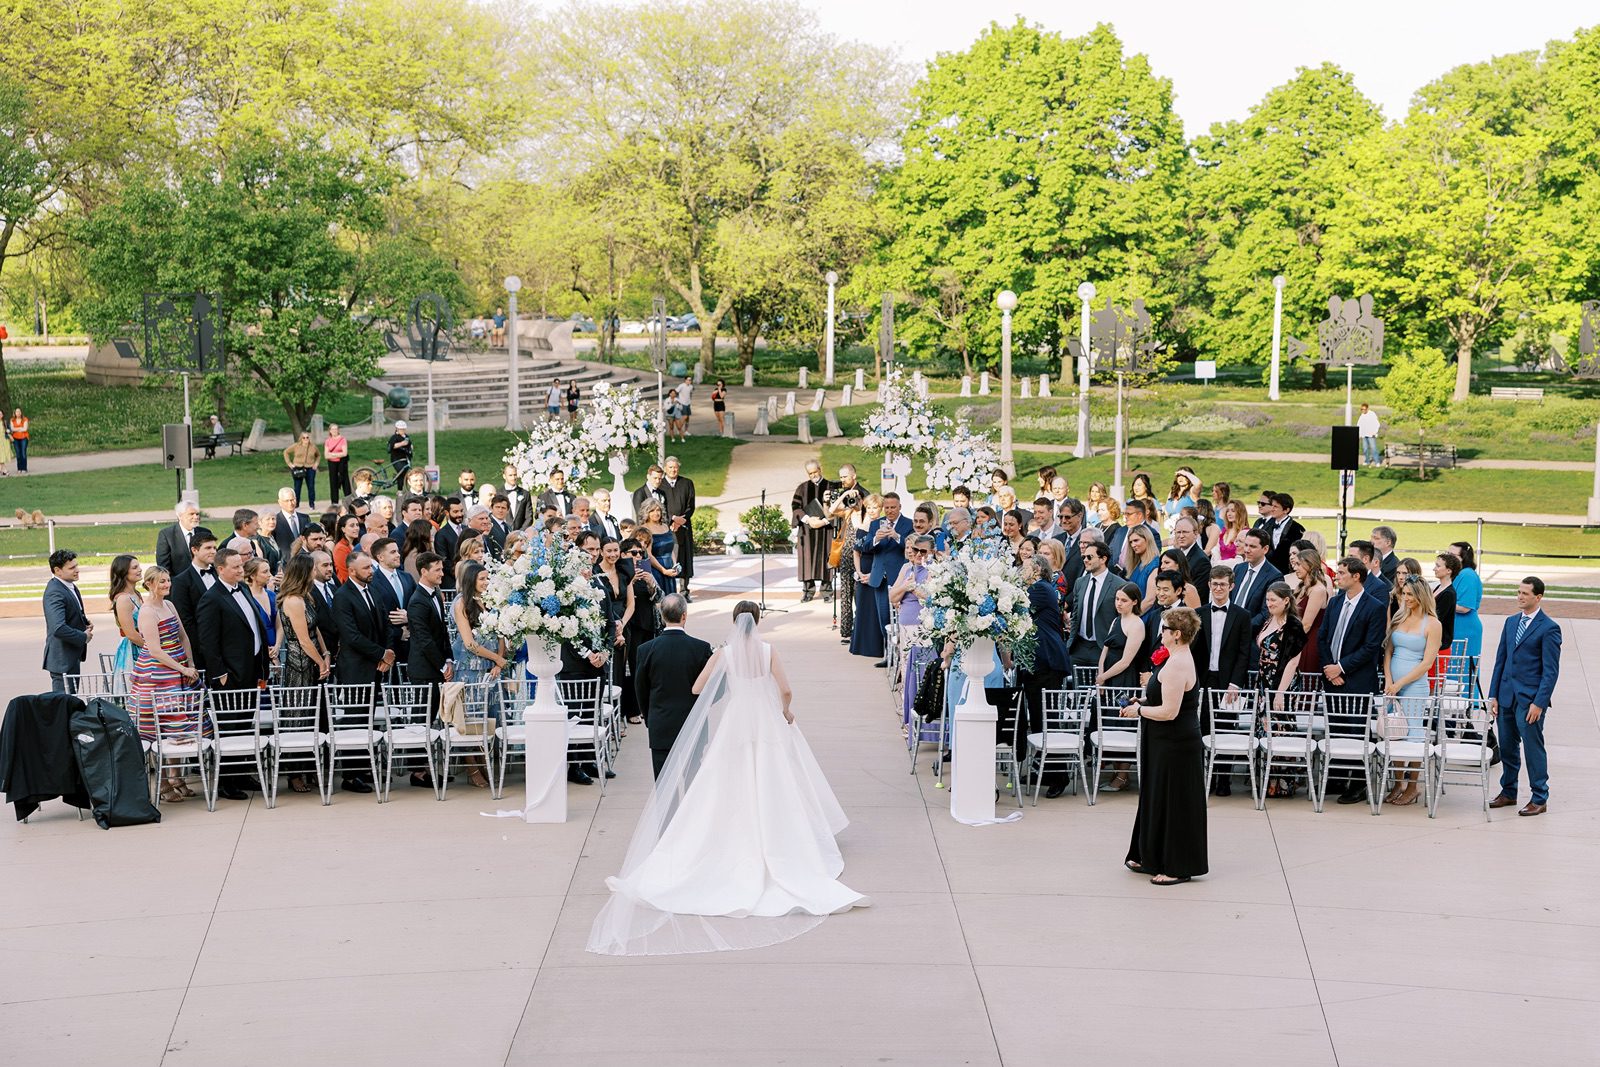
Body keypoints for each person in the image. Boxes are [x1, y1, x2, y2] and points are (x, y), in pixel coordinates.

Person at [590, 601, 866, 956]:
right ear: (759, 620)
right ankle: (778, 834)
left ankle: (726, 834)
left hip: (737, 722)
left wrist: (730, 692)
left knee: (726, 780)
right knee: (775, 777)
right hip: (764, 720)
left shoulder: (725, 652)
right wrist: (785, 710)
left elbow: (697, 689)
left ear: (734, 622)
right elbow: (785, 689)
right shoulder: (768, 650)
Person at [1121, 607, 1207, 885]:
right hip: (1163, 741)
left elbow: (1169, 712)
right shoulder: (1174, 658)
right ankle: (1151, 854)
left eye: (1165, 629)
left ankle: (1177, 865)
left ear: (1177, 635)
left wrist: (1139, 712)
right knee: (1157, 795)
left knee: (1174, 801)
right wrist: (1142, 702)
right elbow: (1163, 699)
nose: (1161, 633)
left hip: (1175, 743)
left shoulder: (1178, 663)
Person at [1487, 577, 1560, 817]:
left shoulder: (1549, 628)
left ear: (1538, 597)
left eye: (1525, 594)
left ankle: (1540, 797)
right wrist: (1493, 695)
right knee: (1507, 747)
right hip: (1506, 696)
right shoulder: (1510, 623)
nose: (1520, 597)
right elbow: (1501, 660)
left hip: (1530, 701)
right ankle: (1508, 792)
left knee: (1532, 748)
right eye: (1518, 592)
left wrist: (1539, 702)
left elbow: (1550, 671)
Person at [129, 566, 203, 801]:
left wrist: (189, 661)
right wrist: (181, 668)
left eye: (168, 581)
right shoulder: (147, 611)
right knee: (159, 727)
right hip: (157, 674)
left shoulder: (169, 605)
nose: (166, 585)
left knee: (179, 725)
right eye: (161, 582)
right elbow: (154, 650)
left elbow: (183, 635)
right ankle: (162, 784)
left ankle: (176, 776)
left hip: (180, 666)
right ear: (149, 584)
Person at [1318, 556, 1387, 806]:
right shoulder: (1335, 603)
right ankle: (1336, 777)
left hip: (1357, 679)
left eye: (1342, 572)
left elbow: (1371, 647)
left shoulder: (1375, 607)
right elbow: (1323, 638)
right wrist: (1329, 669)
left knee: (1356, 731)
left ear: (1356, 576)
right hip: (1331, 677)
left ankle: (1358, 782)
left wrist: (1341, 668)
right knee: (1334, 729)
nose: (1337, 576)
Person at [1380, 574, 1442, 807]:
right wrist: (1389, 679)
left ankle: (1413, 786)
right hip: (1392, 685)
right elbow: (1388, 650)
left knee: (1413, 734)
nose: (1405, 599)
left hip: (1414, 686)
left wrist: (1400, 683)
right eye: (1404, 594)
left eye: (1410, 595)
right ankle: (1398, 783)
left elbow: (1427, 663)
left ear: (1421, 596)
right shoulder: (1399, 616)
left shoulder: (1433, 624)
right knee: (1394, 731)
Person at [276, 554, 330, 793]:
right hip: (300, 664)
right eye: (312, 570)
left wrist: (326, 653)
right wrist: (320, 662)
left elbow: (315, 629)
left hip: (315, 658)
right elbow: (303, 639)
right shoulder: (292, 601)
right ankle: (294, 773)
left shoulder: (305, 597)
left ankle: (313, 767)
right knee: (298, 716)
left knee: (315, 717)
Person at [449, 562, 502, 789]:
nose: (486, 582)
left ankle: (485, 762)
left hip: (491, 668)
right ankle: (472, 768)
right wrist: (495, 657)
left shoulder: (492, 601)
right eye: (482, 579)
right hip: (469, 668)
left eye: (487, 578)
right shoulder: (461, 603)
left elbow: (502, 632)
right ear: (472, 581)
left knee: (489, 717)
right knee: (470, 718)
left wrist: (499, 659)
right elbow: (469, 643)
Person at [1255, 582, 1309, 798]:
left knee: (1280, 729)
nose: (1269, 604)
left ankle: (1283, 783)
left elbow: (1292, 662)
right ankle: (1266, 779)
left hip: (1282, 684)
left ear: (1286, 601)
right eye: (1267, 600)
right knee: (1264, 729)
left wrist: (1280, 693)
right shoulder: (1269, 620)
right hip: (1263, 682)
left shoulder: (1293, 625)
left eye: (1273, 600)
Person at [857, 492, 912, 667]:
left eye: (893, 507)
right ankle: (889, 655)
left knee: (900, 617)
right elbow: (865, 547)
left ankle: (903, 654)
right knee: (883, 617)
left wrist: (896, 536)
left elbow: (911, 546)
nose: (889, 510)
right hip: (880, 577)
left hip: (899, 578)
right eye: (887, 507)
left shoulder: (908, 524)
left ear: (899, 507)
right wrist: (875, 538)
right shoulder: (875, 524)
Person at [42, 549, 92, 693]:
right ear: (57, 570)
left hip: (71, 656)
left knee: (70, 704)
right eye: (72, 568)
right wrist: (83, 637)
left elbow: (71, 612)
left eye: (76, 566)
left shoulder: (69, 586)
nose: (77, 570)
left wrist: (85, 622)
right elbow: (57, 627)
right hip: (62, 659)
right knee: (62, 707)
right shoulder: (55, 592)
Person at [1069, 541, 1118, 675]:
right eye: (1084, 557)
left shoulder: (1118, 584)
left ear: (1103, 559)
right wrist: (1071, 643)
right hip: (1079, 646)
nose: (1085, 560)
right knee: (1077, 691)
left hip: (1103, 647)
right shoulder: (1080, 582)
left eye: (1089, 557)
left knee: (1100, 692)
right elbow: (1075, 615)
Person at [792, 460, 838, 603]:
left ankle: (827, 592)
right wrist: (808, 519)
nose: (813, 475)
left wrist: (823, 521)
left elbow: (837, 508)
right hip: (807, 530)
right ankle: (808, 591)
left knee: (826, 558)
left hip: (826, 530)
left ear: (820, 469)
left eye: (815, 472)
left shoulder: (831, 487)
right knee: (807, 560)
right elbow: (795, 506)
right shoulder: (802, 488)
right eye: (810, 473)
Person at [660, 456, 697, 601]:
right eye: (670, 467)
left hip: (684, 526)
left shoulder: (687, 483)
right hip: (666, 526)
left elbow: (691, 505)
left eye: (675, 467)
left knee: (684, 557)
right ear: (665, 469)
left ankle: (684, 590)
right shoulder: (660, 485)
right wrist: (672, 519)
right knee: (668, 556)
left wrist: (682, 520)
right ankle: (669, 590)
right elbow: (659, 506)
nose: (673, 470)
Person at [1292, 547, 1332, 678]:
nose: (1295, 568)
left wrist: (1289, 643)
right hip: (1299, 641)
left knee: (1306, 687)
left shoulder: (1318, 590)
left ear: (1309, 565)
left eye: (1299, 564)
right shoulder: (1301, 587)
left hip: (1309, 643)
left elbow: (1307, 624)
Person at [107, 554, 145, 690]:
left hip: (142, 646)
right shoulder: (123, 599)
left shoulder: (136, 594)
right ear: (123, 572)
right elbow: (130, 633)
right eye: (135, 567)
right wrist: (152, 648)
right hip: (133, 649)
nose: (140, 570)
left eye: (139, 566)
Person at [1231, 529, 1281, 629]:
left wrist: (1241, 628)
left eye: (1252, 547)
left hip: (1250, 634)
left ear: (1265, 549)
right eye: (1246, 545)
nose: (1247, 550)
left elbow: (1267, 612)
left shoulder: (1274, 576)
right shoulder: (1238, 568)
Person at [1448, 541, 1484, 676]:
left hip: (1465, 629)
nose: (1448, 557)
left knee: (1462, 672)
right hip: (1458, 627)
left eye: (1453, 555)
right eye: (1447, 553)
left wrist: (1440, 602)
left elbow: (1464, 607)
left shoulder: (1467, 575)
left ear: (1464, 557)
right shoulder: (1459, 574)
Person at [156, 500, 202, 574]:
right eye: (191, 514)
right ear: (180, 516)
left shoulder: (205, 533)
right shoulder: (167, 535)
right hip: (179, 583)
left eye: (197, 514)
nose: (196, 517)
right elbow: (163, 566)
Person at [1264, 493, 1305, 574]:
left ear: (1286, 510)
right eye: (1272, 505)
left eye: (1275, 507)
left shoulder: (1297, 529)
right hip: (1268, 572)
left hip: (1289, 571)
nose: (1272, 509)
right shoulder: (1266, 527)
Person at [282, 430, 321, 510]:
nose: (306, 439)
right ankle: (296, 504)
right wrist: (290, 464)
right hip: (298, 468)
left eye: (307, 437)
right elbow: (286, 452)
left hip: (310, 468)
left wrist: (316, 463)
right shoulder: (296, 446)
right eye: (304, 438)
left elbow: (318, 455)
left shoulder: (313, 447)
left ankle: (311, 504)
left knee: (311, 486)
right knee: (297, 487)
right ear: (301, 438)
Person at [271, 487, 309, 559]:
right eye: (286, 501)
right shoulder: (275, 521)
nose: (290, 503)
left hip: (304, 561)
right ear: (280, 502)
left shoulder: (305, 518)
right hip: (286, 562)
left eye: (292, 500)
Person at [324, 423, 351, 504]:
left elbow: (345, 453)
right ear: (330, 431)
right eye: (332, 429)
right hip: (332, 463)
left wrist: (333, 454)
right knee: (333, 482)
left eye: (336, 429)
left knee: (344, 480)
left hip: (342, 463)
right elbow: (326, 455)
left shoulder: (342, 439)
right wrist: (338, 454)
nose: (334, 431)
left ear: (338, 430)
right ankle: (334, 503)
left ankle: (348, 500)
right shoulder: (328, 441)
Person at [1357, 402, 1381, 466]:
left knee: (1373, 448)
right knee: (1365, 449)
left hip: (1371, 435)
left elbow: (1377, 424)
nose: (1363, 410)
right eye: (1361, 409)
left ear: (1367, 409)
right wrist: (1359, 434)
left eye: (1364, 409)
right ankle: (1367, 461)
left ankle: (1377, 461)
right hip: (1364, 435)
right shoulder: (1362, 416)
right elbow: (1359, 425)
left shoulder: (1372, 414)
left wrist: (1375, 432)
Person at [8, 407, 28, 473]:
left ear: (21, 412)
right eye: (17, 412)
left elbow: (25, 429)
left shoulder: (25, 419)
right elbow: (12, 429)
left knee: (23, 453)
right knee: (18, 453)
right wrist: (20, 428)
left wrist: (17, 428)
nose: (18, 413)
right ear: (15, 413)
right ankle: (19, 468)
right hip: (15, 438)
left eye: (19, 411)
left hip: (24, 438)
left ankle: (24, 468)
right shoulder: (12, 420)